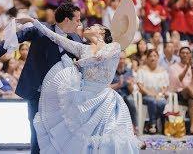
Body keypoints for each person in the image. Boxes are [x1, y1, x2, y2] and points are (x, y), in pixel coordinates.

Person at [15, 12, 144, 153]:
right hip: (82, 100)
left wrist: (79, 63)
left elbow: (100, 57)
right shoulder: (83, 48)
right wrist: (33, 21)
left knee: (106, 139)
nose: (86, 26)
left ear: (102, 31)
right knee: (80, 141)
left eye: (93, 25)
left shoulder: (114, 46)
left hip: (104, 100)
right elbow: (54, 36)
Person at [0, 2, 84, 154]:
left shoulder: (76, 39)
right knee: (37, 130)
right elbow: (17, 36)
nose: (80, 24)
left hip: (63, 95)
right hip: (37, 91)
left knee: (62, 133)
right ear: (66, 20)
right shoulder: (41, 29)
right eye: (77, 20)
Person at [169, 47, 193, 134]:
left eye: (187, 53)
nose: (185, 55)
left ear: (190, 55)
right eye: (183, 53)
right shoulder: (173, 67)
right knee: (188, 87)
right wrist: (186, 68)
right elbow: (179, 80)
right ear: (179, 54)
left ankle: (192, 128)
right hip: (179, 93)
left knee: (191, 100)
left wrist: (191, 67)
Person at [137, 49, 168, 134]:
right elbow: (140, 86)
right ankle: (153, 125)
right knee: (152, 101)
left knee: (162, 102)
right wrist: (152, 95)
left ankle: (153, 123)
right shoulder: (142, 70)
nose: (153, 58)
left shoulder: (163, 70)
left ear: (158, 58)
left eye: (155, 56)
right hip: (145, 96)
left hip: (159, 96)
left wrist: (160, 94)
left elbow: (165, 86)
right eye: (150, 56)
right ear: (147, 58)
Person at [111, 51, 138, 134]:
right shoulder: (111, 70)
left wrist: (130, 85)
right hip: (114, 94)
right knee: (117, 101)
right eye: (120, 59)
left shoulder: (129, 71)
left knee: (131, 101)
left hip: (126, 94)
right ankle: (115, 128)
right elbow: (107, 87)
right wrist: (118, 85)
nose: (122, 61)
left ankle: (134, 125)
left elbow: (132, 91)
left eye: (123, 59)